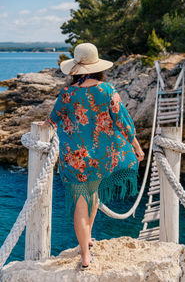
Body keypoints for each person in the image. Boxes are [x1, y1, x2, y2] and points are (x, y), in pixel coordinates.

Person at [38, 43, 144, 269]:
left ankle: (84, 252)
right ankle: (87, 243)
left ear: (76, 67)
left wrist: (43, 124)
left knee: (80, 201)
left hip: (74, 157)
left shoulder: (68, 93)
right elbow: (122, 122)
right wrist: (135, 145)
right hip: (100, 155)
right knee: (93, 195)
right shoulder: (107, 90)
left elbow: (54, 118)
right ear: (97, 66)